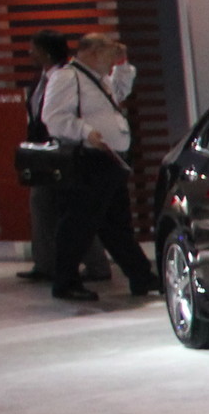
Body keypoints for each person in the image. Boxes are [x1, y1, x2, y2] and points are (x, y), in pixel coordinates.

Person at [40, 30, 157, 302]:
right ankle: (65, 281)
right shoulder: (67, 77)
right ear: (92, 53)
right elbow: (53, 117)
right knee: (78, 223)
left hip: (108, 160)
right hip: (88, 160)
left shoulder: (98, 78)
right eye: (108, 55)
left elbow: (120, 92)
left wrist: (123, 65)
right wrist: (85, 131)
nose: (111, 61)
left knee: (115, 223)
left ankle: (140, 275)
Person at [16, 31, 107, 286]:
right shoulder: (41, 79)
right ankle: (46, 264)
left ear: (45, 52)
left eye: (33, 48)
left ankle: (95, 265)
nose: (30, 53)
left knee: (71, 210)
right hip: (44, 153)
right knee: (43, 206)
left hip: (65, 152)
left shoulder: (67, 77)